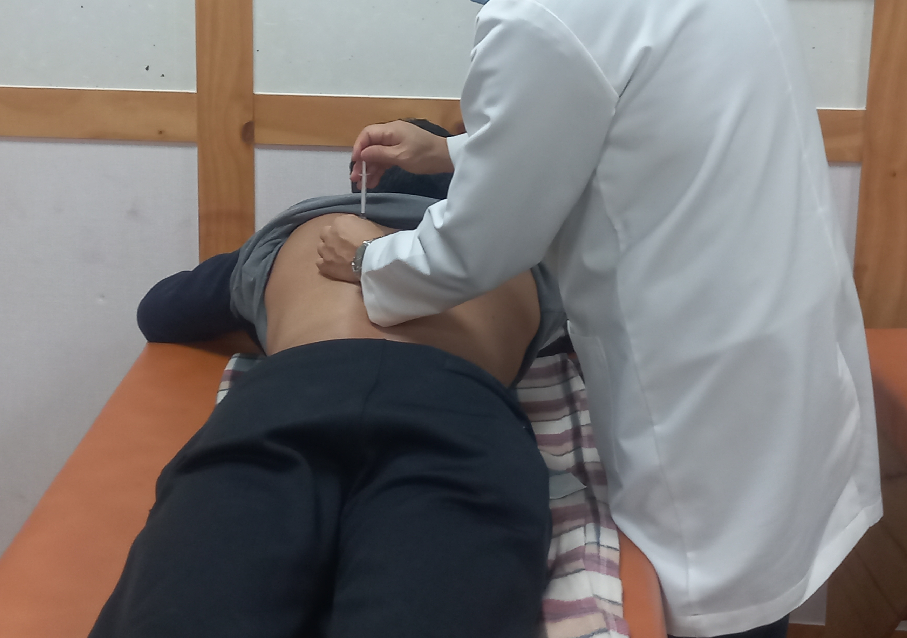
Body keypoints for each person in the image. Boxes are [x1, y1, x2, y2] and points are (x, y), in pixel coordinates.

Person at [316, 0, 882, 638]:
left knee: (723, 607)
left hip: (705, 394)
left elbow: (480, 247)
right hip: (781, 346)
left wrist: (369, 264)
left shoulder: (545, 5)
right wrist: (453, 151)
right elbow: (633, 128)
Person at [89, 124, 568, 638]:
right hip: (457, 411)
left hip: (289, 396)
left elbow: (161, 311)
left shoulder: (304, 230)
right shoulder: (519, 254)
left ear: (360, 178)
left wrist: (268, 307)